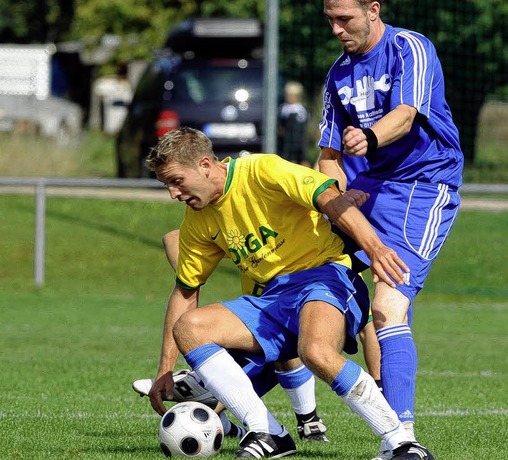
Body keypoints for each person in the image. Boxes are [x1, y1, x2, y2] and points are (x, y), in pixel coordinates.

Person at [145, 127, 433, 459]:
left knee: (315, 352)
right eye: (166, 184)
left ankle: (401, 442)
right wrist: (165, 369)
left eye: (176, 180)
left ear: (206, 165)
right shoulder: (197, 220)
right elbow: (185, 292)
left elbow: (329, 197)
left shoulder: (262, 170)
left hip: (326, 275)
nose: (172, 193)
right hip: (271, 299)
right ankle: (268, 432)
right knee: (190, 327)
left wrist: (376, 249)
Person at [318, 1, 464, 459]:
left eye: (346, 19)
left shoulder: (409, 47)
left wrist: (371, 137)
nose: (337, 29)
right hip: (370, 185)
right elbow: (327, 157)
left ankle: (401, 441)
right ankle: (233, 402)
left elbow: (405, 113)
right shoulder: (337, 74)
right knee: (301, 280)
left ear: (373, 10)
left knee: (388, 304)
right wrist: (332, 204)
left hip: (424, 186)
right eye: (330, 21)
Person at [132, 228, 330, 442]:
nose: (174, 193)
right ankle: (215, 407)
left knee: (290, 340)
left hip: (308, 301)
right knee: (237, 366)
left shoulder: (302, 224)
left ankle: (202, 393)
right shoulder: (231, 222)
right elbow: (173, 239)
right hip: (259, 312)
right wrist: (193, 275)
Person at [277, 81, 310, 166]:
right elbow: (281, 124)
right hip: (287, 140)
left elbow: (305, 123)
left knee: (303, 159)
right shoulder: (283, 108)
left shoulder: (302, 109)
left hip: (300, 140)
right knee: (289, 160)